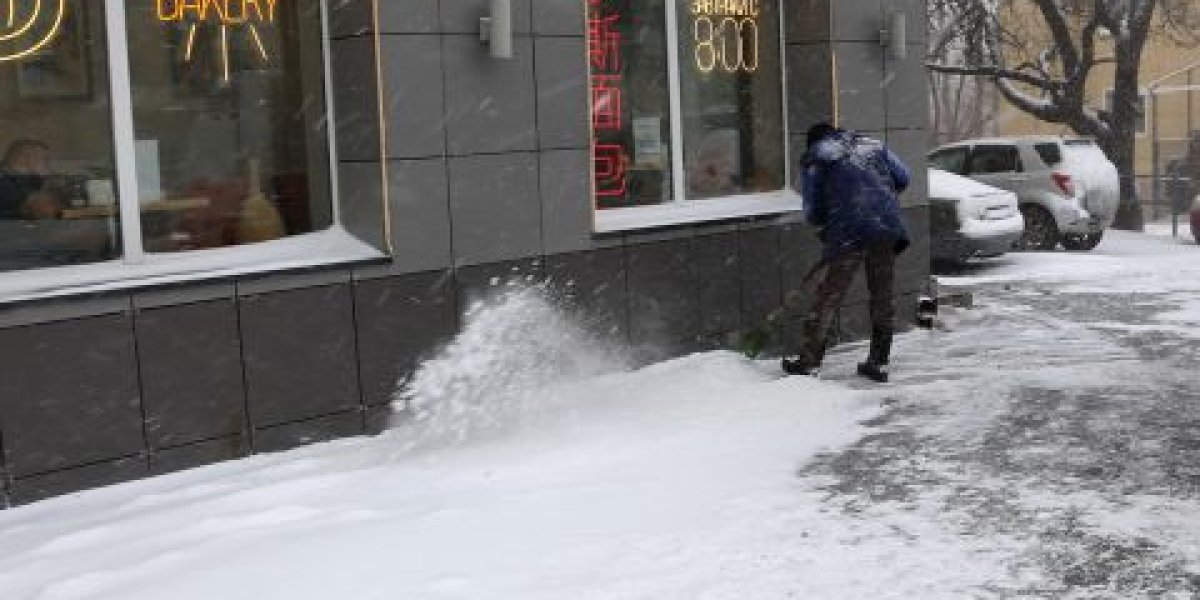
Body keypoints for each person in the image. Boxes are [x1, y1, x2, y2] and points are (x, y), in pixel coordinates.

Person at [782, 122, 911, 383]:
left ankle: (809, 361)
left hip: (847, 232)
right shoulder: (873, 146)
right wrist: (876, 199)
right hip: (886, 228)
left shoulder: (818, 155)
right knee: (882, 296)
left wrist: (829, 220)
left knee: (829, 295)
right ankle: (879, 362)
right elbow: (904, 177)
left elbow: (813, 207)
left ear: (813, 141)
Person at [0, 139, 64, 220]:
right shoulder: (5, 184)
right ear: (25, 159)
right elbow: (45, 209)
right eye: (45, 159)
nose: (49, 165)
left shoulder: (24, 180)